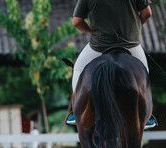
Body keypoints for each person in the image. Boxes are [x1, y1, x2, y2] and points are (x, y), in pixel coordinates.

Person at [66, 0, 156, 129]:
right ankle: (146, 114)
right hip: (131, 45)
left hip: (99, 47)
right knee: (143, 73)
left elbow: (77, 22)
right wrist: (134, 28)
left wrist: (92, 33)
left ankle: (78, 109)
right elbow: (147, 13)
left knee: (78, 69)